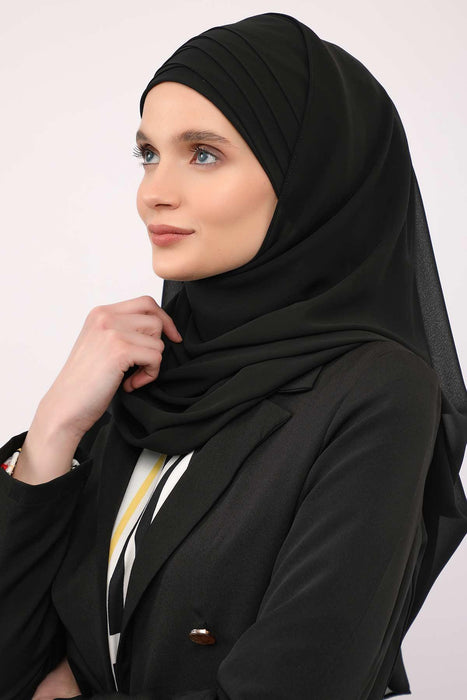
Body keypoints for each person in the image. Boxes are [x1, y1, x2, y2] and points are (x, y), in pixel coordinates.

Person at [1, 10, 466, 700]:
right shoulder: (149, 366)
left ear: (309, 177)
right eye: (148, 153)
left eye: (203, 154)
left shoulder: (378, 391)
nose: (153, 193)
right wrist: (52, 431)